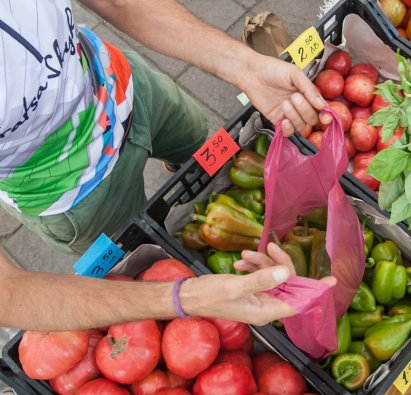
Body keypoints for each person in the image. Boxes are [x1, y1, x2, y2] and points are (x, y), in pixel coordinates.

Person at [1, 0, 330, 255]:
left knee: (205, 151)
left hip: (126, 86)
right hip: (70, 190)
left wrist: (245, 67)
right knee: (148, 253)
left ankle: (187, 183)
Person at [0, 243, 332, 332]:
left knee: (185, 130)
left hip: (123, 94)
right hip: (62, 185)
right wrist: (184, 297)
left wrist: (244, 67)